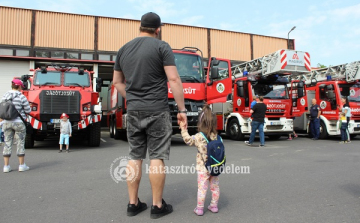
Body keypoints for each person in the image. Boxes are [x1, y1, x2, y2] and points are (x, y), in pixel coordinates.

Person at [112, 12, 187, 219]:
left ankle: (133, 203)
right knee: (157, 157)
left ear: (140, 27)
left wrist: (134, 98)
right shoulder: (162, 47)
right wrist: (182, 111)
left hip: (134, 110)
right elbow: (173, 79)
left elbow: (117, 82)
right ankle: (157, 206)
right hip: (157, 110)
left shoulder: (123, 50)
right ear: (158, 29)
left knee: (135, 156)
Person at [179, 105, 220, 216]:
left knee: (202, 188)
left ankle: (200, 209)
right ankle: (214, 206)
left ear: (200, 123)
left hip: (203, 168)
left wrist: (183, 129)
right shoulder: (216, 136)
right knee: (215, 187)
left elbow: (188, 140)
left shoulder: (198, 137)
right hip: (215, 166)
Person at [1, 79, 31, 173]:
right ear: (19, 86)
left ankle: (6, 166)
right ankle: (21, 165)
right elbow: (28, 110)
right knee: (20, 143)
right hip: (18, 123)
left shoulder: (5, 96)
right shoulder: (21, 97)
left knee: (7, 143)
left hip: (6, 122)